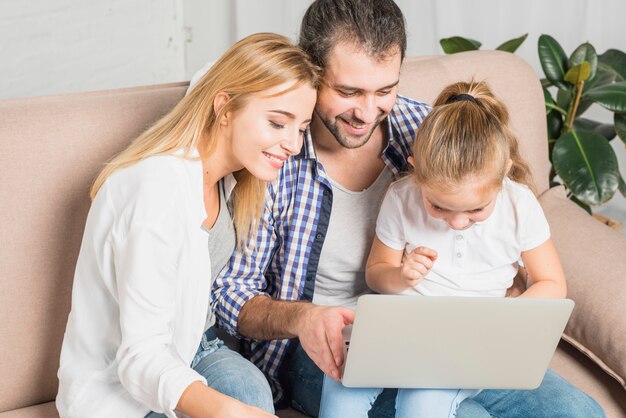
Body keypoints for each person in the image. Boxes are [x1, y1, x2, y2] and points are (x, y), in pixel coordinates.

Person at [212, 1, 605, 417]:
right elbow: (230, 294)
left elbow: (500, 216)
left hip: (452, 334)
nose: (366, 113)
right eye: (348, 92)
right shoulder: (273, 154)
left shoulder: (431, 131)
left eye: (384, 90)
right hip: (327, 344)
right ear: (311, 74)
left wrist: (503, 296)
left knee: (576, 411)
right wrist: (304, 318)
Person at [55, 33, 319, 418]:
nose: (293, 144)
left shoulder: (230, 175)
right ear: (224, 108)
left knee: (251, 391)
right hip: (125, 375)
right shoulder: (154, 192)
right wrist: (229, 413)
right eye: (278, 123)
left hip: (197, 345)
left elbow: (213, 80)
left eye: (301, 128)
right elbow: (141, 357)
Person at [318, 80, 568, 418]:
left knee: (423, 404)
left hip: (469, 340)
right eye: (439, 207)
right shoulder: (402, 197)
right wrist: (401, 276)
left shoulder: (518, 204)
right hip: (402, 326)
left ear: (503, 174)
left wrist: (506, 320)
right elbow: (377, 275)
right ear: (416, 167)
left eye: (476, 210)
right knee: (341, 389)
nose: (457, 223)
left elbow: (552, 284)